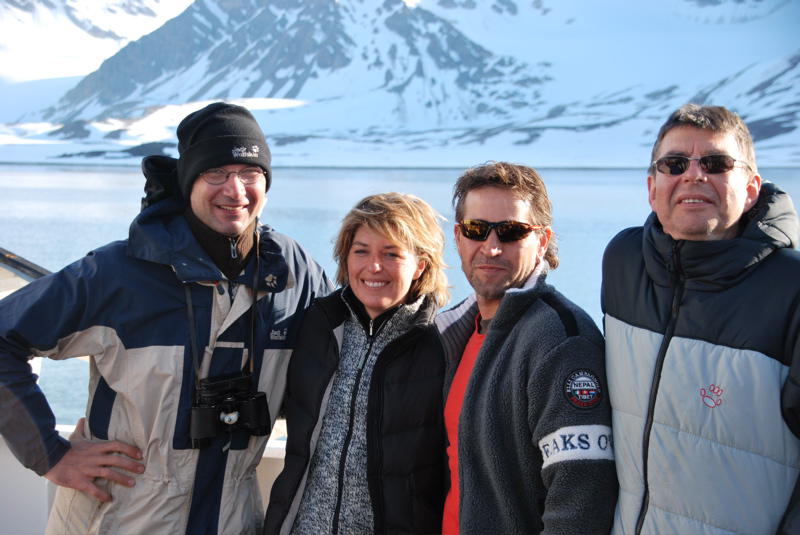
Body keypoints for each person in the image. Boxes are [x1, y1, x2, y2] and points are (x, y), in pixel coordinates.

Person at [0, 102, 331, 534]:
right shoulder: (120, 272)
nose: (236, 190)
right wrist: (50, 454)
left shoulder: (292, 272)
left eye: (250, 173)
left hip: (233, 519)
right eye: (216, 173)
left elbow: (348, 359)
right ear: (188, 180)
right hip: (119, 518)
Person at [602, 104, 800, 534]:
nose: (694, 175)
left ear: (751, 188)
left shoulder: (791, 289)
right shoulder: (624, 262)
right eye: (675, 164)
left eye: (716, 163)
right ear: (652, 188)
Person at [437, 162, 618, 534]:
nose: (491, 247)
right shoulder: (456, 331)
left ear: (542, 241)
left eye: (511, 232)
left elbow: (581, 501)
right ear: (458, 236)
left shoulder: (561, 341)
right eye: (476, 229)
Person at [264, 192, 449, 534]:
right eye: (361, 251)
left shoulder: (442, 344)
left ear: (420, 265)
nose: (373, 267)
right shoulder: (318, 325)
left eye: (391, 254)